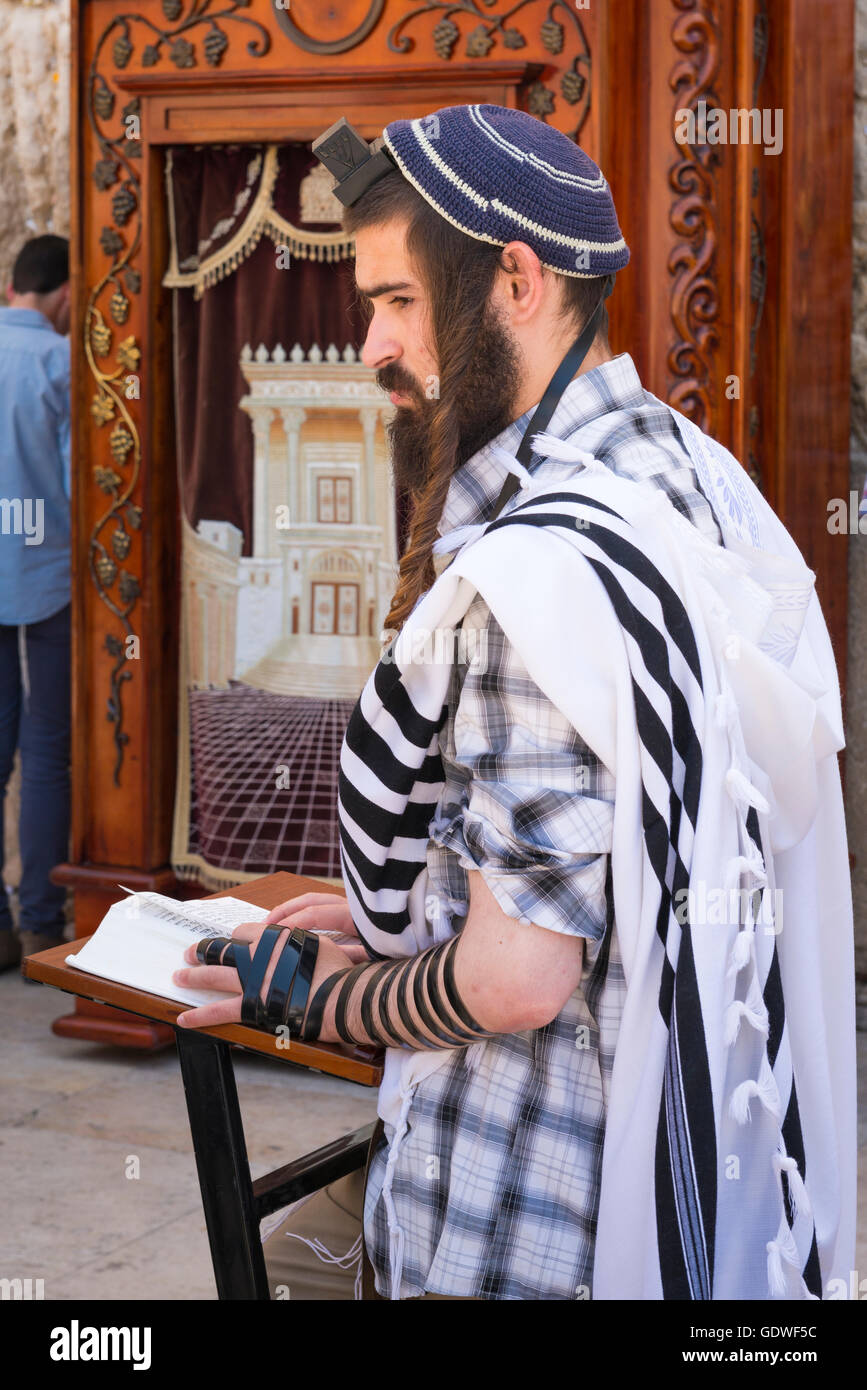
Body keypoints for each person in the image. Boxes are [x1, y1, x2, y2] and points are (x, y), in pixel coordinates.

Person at [172, 106, 855, 1300]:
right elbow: (626, 855)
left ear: (518, 280)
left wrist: (322, 995)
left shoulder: (540, 576)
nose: (375, 346)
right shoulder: (689, 475)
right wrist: (417, 898)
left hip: (527, 1210)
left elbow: (519, 981)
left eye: (397, 301)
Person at [0, 234, 72, 970]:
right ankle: (42, 929)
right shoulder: (59, 363)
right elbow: (86, 487)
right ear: (65, 291)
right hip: (48, 578)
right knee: (47, 753)